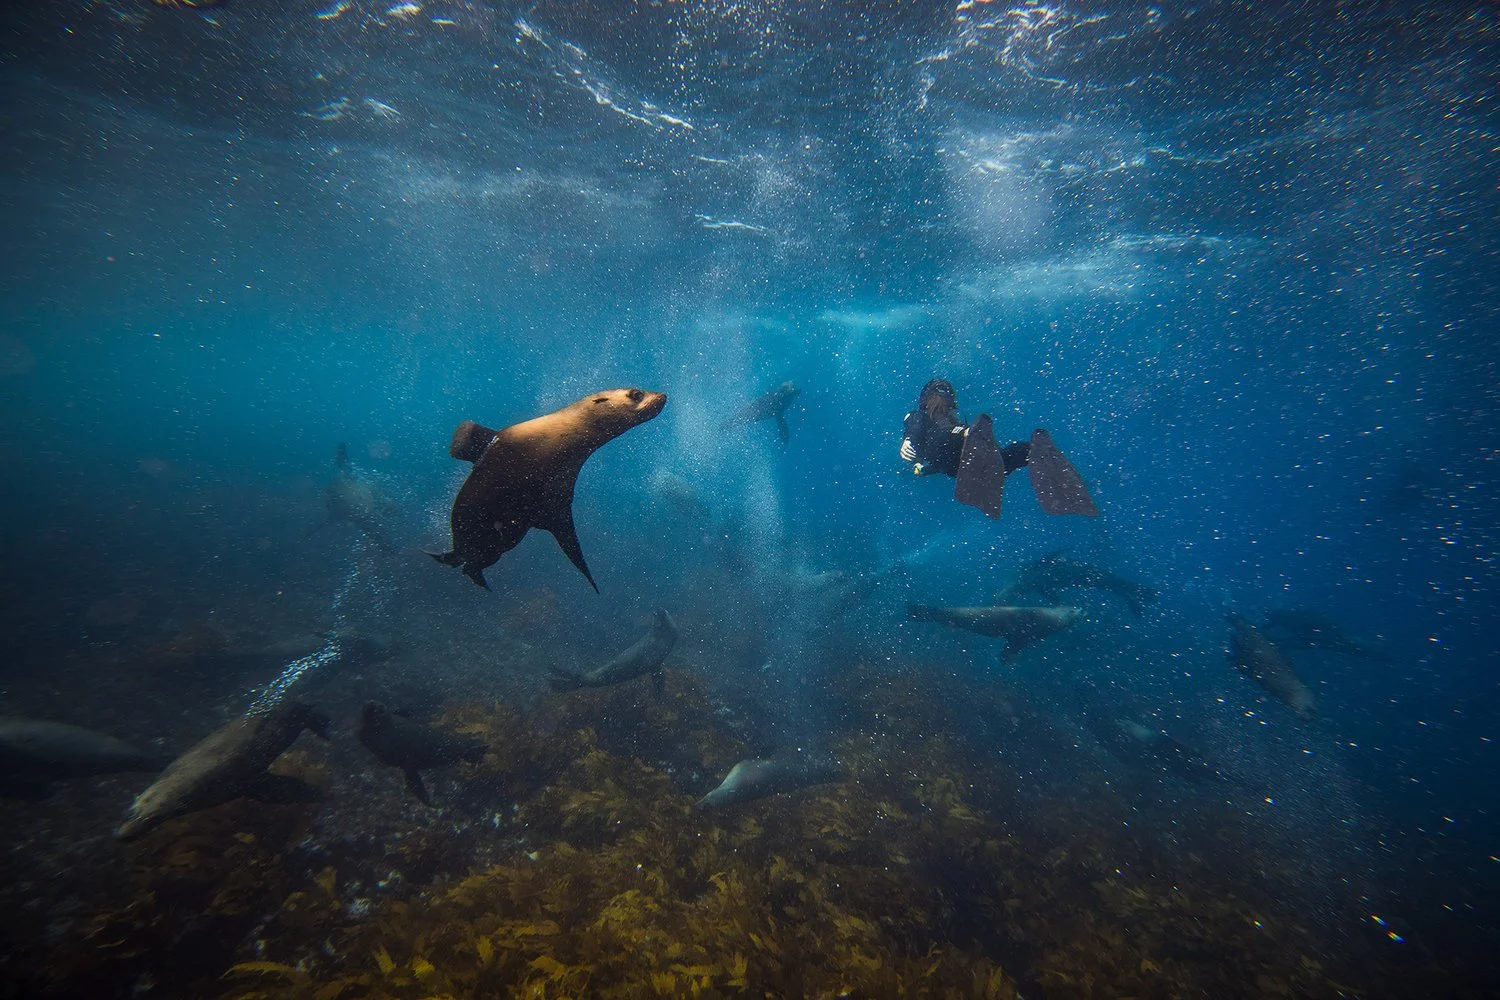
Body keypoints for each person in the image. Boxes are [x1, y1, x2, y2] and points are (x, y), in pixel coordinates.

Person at [899, 378, 1098, 519]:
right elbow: (918, 430)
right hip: (961, 460)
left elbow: (928, 441)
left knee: (1016, 453)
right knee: (998, 458)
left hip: (962, 462)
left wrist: (911, 443)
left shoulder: (925, 419)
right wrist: (922, 465)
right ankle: (1034, 453)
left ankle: (1032, 451)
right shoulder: (921, 418)